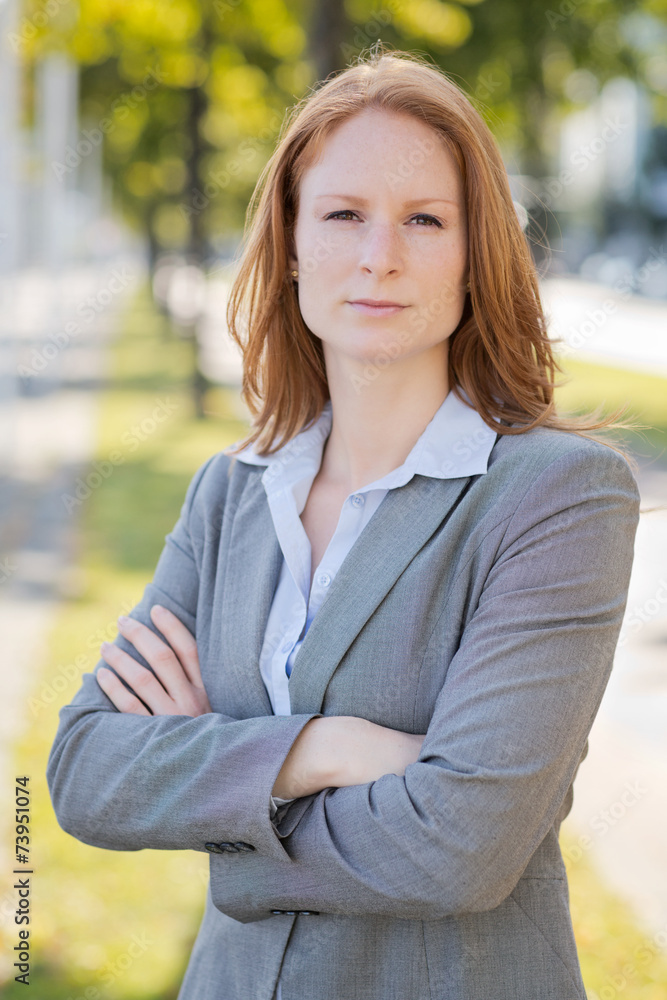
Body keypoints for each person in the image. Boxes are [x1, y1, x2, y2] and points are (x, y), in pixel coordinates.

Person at [47, 44, 641, 1000]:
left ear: (473, 251)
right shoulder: (231, 492)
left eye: (422, 219)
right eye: (342, 215)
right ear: (289, 244)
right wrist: (321, 751)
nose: (379, 256)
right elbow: (84, 770)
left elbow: (459, 848)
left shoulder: (557, 496)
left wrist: (214, 793)